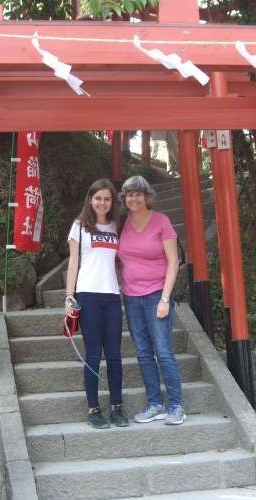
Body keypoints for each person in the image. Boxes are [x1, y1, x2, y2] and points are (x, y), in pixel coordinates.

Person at [117, 175, 186, 425]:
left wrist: (165, 298)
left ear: (147, 196)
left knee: (164, 352)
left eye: (138, 193)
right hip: (131, 296)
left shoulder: (161, 221)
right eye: (129, 194)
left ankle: (176, 405)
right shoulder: (123, 223)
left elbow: (173, 261)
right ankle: (155, 403)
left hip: (157, 294)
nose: (133, 198)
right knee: (143, 353)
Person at [64, 178, 128, 430]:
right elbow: (73, 262)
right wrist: (70, 294)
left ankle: (117, 407)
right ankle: (93, 409)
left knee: (114, 355)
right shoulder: (79, 226)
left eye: (107, 198)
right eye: (98, 197)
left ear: (112, 202)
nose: (102, 202)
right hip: (88, 295)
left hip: (112, 296)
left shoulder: (117, 227)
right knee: (93, 355)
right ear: (90, 199)